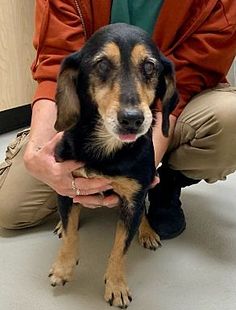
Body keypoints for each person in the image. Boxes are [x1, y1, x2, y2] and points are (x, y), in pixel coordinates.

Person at [0, 0, 235, 239]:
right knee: (9, 209)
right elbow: (57, 64)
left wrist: (138, 176)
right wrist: (39, 150)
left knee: (231, 117)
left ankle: (166, 185)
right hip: (90, 119)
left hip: (168, 110)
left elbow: (183, 84)